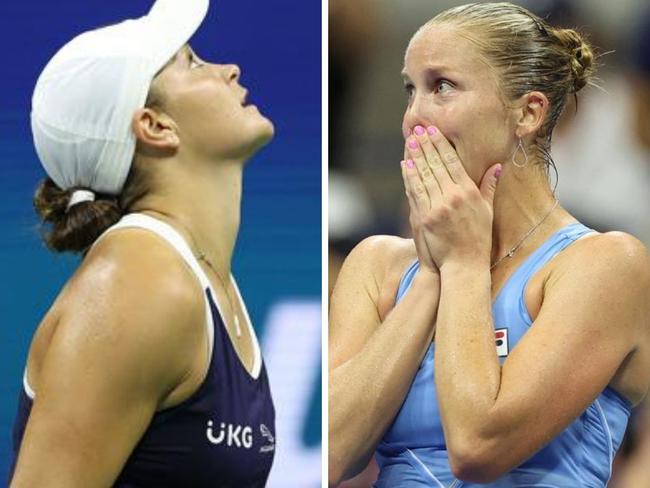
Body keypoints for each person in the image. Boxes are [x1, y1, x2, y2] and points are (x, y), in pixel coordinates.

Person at [329, 2, 650, 487]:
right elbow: (329, 456)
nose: (414, 116)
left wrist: (461, 264)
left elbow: (478, 447)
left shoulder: (605, 265)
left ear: (528, 113)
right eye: (409, 89)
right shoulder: (378, 265)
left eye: (442, 87)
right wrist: (430, 278)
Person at [9, 1, 276, 486]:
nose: (229, 69)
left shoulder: (206, 279)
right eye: (192, 63)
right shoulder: (138, 286)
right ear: (155, 126)